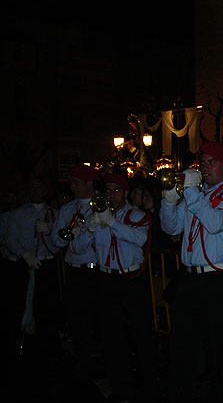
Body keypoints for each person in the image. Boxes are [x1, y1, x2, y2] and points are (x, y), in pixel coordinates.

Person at [160, 142, 223, 403]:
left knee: (217, 350)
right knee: (181, 348)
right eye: (203, 161)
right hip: (190, 277)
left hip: (218, 280)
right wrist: (169, 199)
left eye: (211, 162)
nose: (204, 167)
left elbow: (213, 224)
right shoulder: (196, 194)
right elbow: (171, 228)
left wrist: (190, 192)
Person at [71, 172, 156, 402]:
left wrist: (112, 222)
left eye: (116, 191)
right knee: (111, 337)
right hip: (107, 279)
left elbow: (139, 238)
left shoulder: (137, 215)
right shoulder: (97, 215)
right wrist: (90, 228)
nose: (111, 195)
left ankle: (149, 388)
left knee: (141, 335)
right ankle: (121, 388)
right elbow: (77, 248)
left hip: (131, 280)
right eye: (107, 191)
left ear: (126, 192)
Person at [52, 164, 102, 392]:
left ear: (89, 184)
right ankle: (83, 372)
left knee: (97, 323)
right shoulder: (68, 208)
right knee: (77, 322)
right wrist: (68, 235)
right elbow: (56, 239)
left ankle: (97, 369)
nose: (72, 187)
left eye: (76, 183)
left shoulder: (100, 205)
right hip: (73, 269)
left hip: (94, 271)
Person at [4, 176, 60, 357]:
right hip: (25, 263)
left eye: (39, 187)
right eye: (33, 187)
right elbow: (10, 239)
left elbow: (60, 241)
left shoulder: (55, 214)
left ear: (45, 190)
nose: (36, 191)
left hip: (47, 262)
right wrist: (25, 255)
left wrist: (51, 230)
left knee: (46, 306)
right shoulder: (18, 213)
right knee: (19, 303)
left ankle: (45, 346)